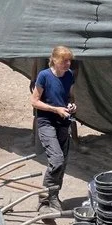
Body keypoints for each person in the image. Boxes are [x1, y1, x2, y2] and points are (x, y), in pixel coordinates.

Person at [30, 46, 76, 213]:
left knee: (62, 163)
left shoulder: (69, 75)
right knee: (56, 160)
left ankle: (54, 196)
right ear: (55, 60)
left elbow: (69, 96)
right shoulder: (44, 76)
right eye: (64, 61)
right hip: (46, 122)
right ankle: (43, 200)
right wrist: (55, 109)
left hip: (63, 122)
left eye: (69, 60)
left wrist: (71, 105)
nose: (68, 63)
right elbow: (34, 101)